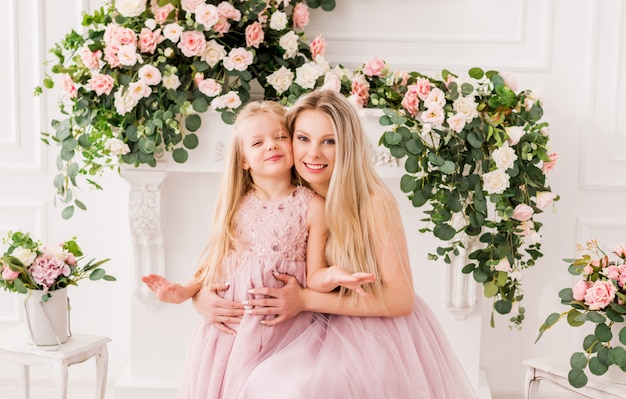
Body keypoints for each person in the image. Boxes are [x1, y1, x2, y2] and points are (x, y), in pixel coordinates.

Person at [193, 90, 479, 398]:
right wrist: (201, 301)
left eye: (328, 141)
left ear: (347, 146)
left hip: (365, 325)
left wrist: (304, 300)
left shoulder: (371, 202)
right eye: (303, 138)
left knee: (291, 385)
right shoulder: (287, 192)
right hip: (296, 327)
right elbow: (227, 260)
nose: (313, 153)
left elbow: (401, 299)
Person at [141, 100, 375, 398]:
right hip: (231, 330)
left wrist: (335, 276)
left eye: (280, 137)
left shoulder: (313, 206)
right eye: (257, 142)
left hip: (283, 329)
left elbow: (315, 275)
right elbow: (216, 261)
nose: (271, 146)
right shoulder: (237, 204)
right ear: (243, 161)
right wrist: (184, 291)